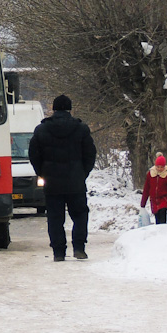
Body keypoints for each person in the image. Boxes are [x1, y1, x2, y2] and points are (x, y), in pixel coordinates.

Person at [28, 94, 97, 261]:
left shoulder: (41, 130)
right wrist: (82, 173)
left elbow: (33, 155)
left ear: (53, 109)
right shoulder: (81, 129)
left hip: (52, 183)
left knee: (55, 217)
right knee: (80, 214)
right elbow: (90, 154)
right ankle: (79, 248)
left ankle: (58, 252)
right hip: (75, 182)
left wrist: (43, 172)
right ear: (70, 108)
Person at [140, 152, 167, 226]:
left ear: (164, 166)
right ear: (155, 166)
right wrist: (143, 203)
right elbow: (146, 189)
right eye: (158, 167)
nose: (159, 169)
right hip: (154, 201)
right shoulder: (150, 174)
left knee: (162, 216)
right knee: (157, 219)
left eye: (161, 167)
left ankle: (163, 233)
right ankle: (158, 235)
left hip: (164, 200)